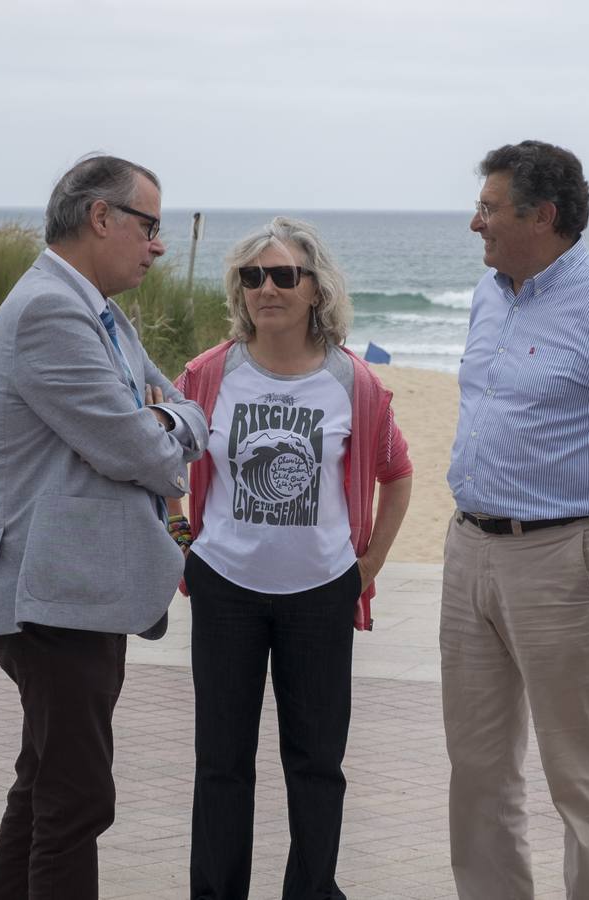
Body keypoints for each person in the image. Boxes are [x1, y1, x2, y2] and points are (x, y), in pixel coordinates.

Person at [442, 141, 589, 899]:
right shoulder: (490, 293)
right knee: (478, 771)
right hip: (468, 550)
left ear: (541, 216)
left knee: (577, 773)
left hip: (564, 560)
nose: (474, 222)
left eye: (489, 208)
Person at [0, 154, 207, 899]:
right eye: (149, 226)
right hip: (52, 596)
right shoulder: (51, 309)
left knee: (45, 787)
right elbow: (136, 445)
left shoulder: (94, 309)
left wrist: (158, 416)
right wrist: (158, 424)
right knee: (76, 801)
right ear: (101, 217)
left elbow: (181, 406)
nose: (158, 245)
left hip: (77, 593)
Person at [170, 216, 413, 900]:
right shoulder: (209, 375)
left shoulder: (354, 383)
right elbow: (162, 469)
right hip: (225, 593)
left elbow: (397, 473)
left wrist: (368, 567)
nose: (266, 289)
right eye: (252, 277)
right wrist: (187, 550)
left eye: (283, 275)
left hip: (319, 597)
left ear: (316, 290)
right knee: (221, 764)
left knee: (316, 765)